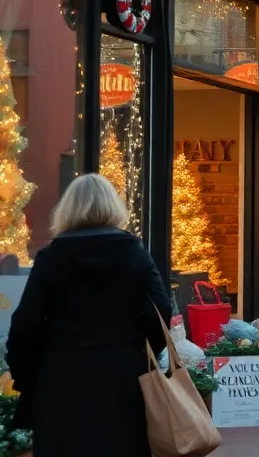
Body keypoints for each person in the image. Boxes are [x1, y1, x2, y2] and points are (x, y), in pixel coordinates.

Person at [8, 174, 172, 457]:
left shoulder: (51, 257)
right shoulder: (134, 252)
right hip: (124, 374)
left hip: (61, 376)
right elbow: (160, 309)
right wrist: (145, 356)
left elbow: (25, 324)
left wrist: (26, 377)